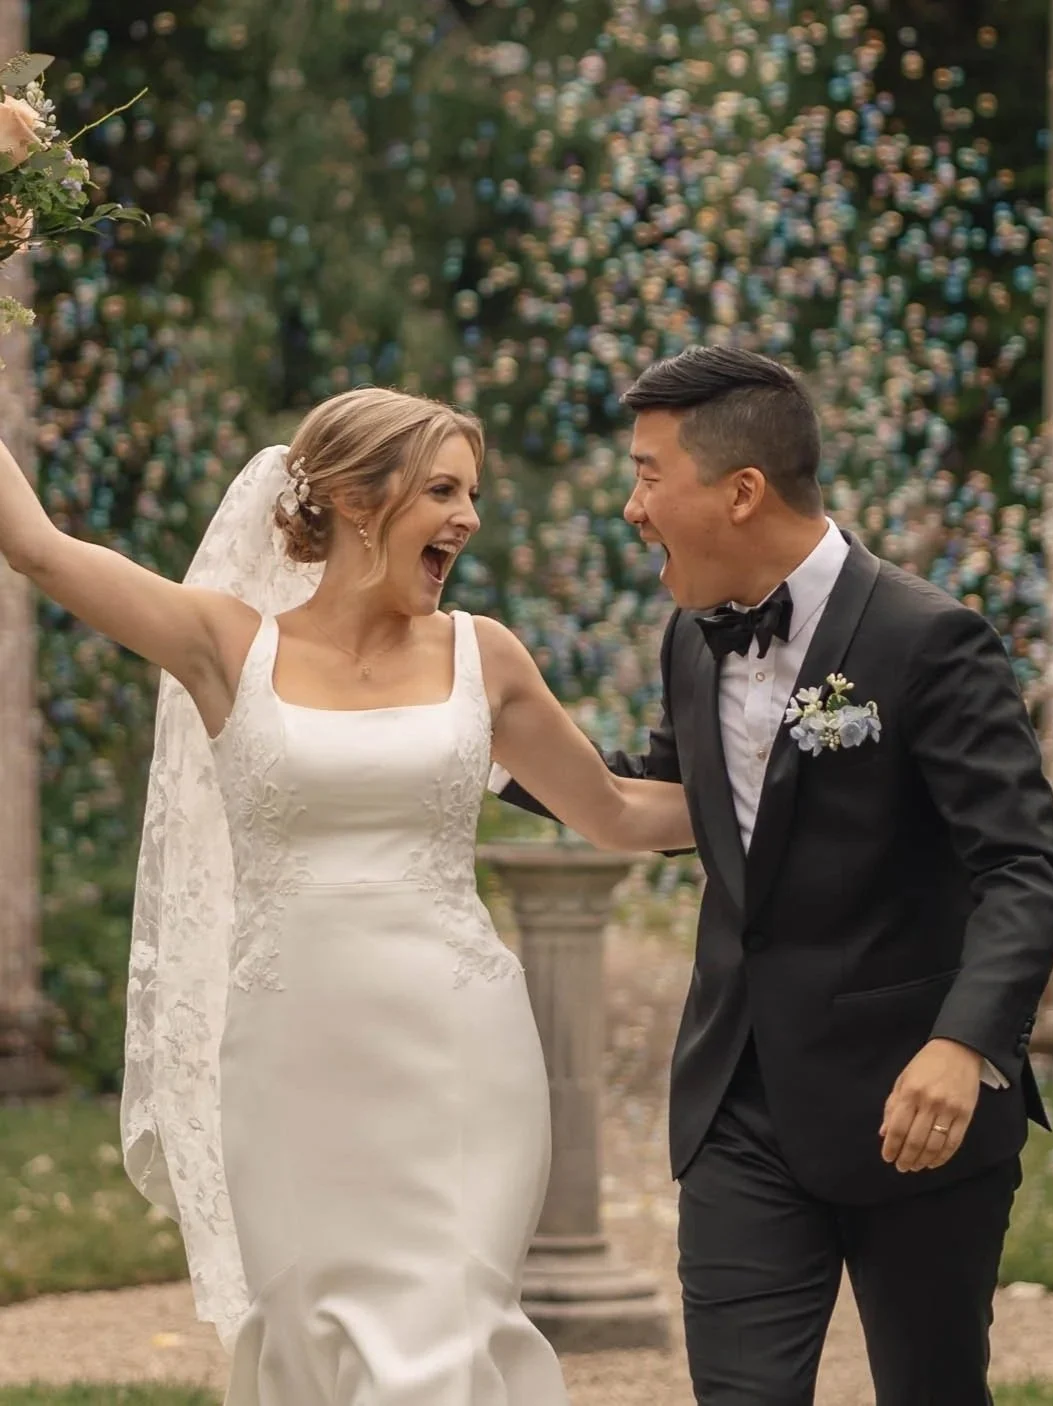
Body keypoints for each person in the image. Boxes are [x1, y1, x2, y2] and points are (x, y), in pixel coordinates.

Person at [0, 386, 693, 1406]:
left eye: (473, 492)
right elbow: (40, 549)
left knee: (446, 1334)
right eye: (444, 489)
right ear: (359, 498)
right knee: (313, 1335)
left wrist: (806, 786)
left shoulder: (483, 654)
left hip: (460, 1056)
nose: (468, 517)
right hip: (290, 1062)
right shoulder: (226, 645)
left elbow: (616, 811)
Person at [494, 346, 1053, 1406]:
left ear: (739, 489)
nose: (632, 507)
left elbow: (1023, 870)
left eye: (646, 474)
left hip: (914, 1106)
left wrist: (960, 1043)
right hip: (737, 1104)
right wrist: (472, 742)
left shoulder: (928, 639)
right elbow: (659, 797)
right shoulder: (688, 638)